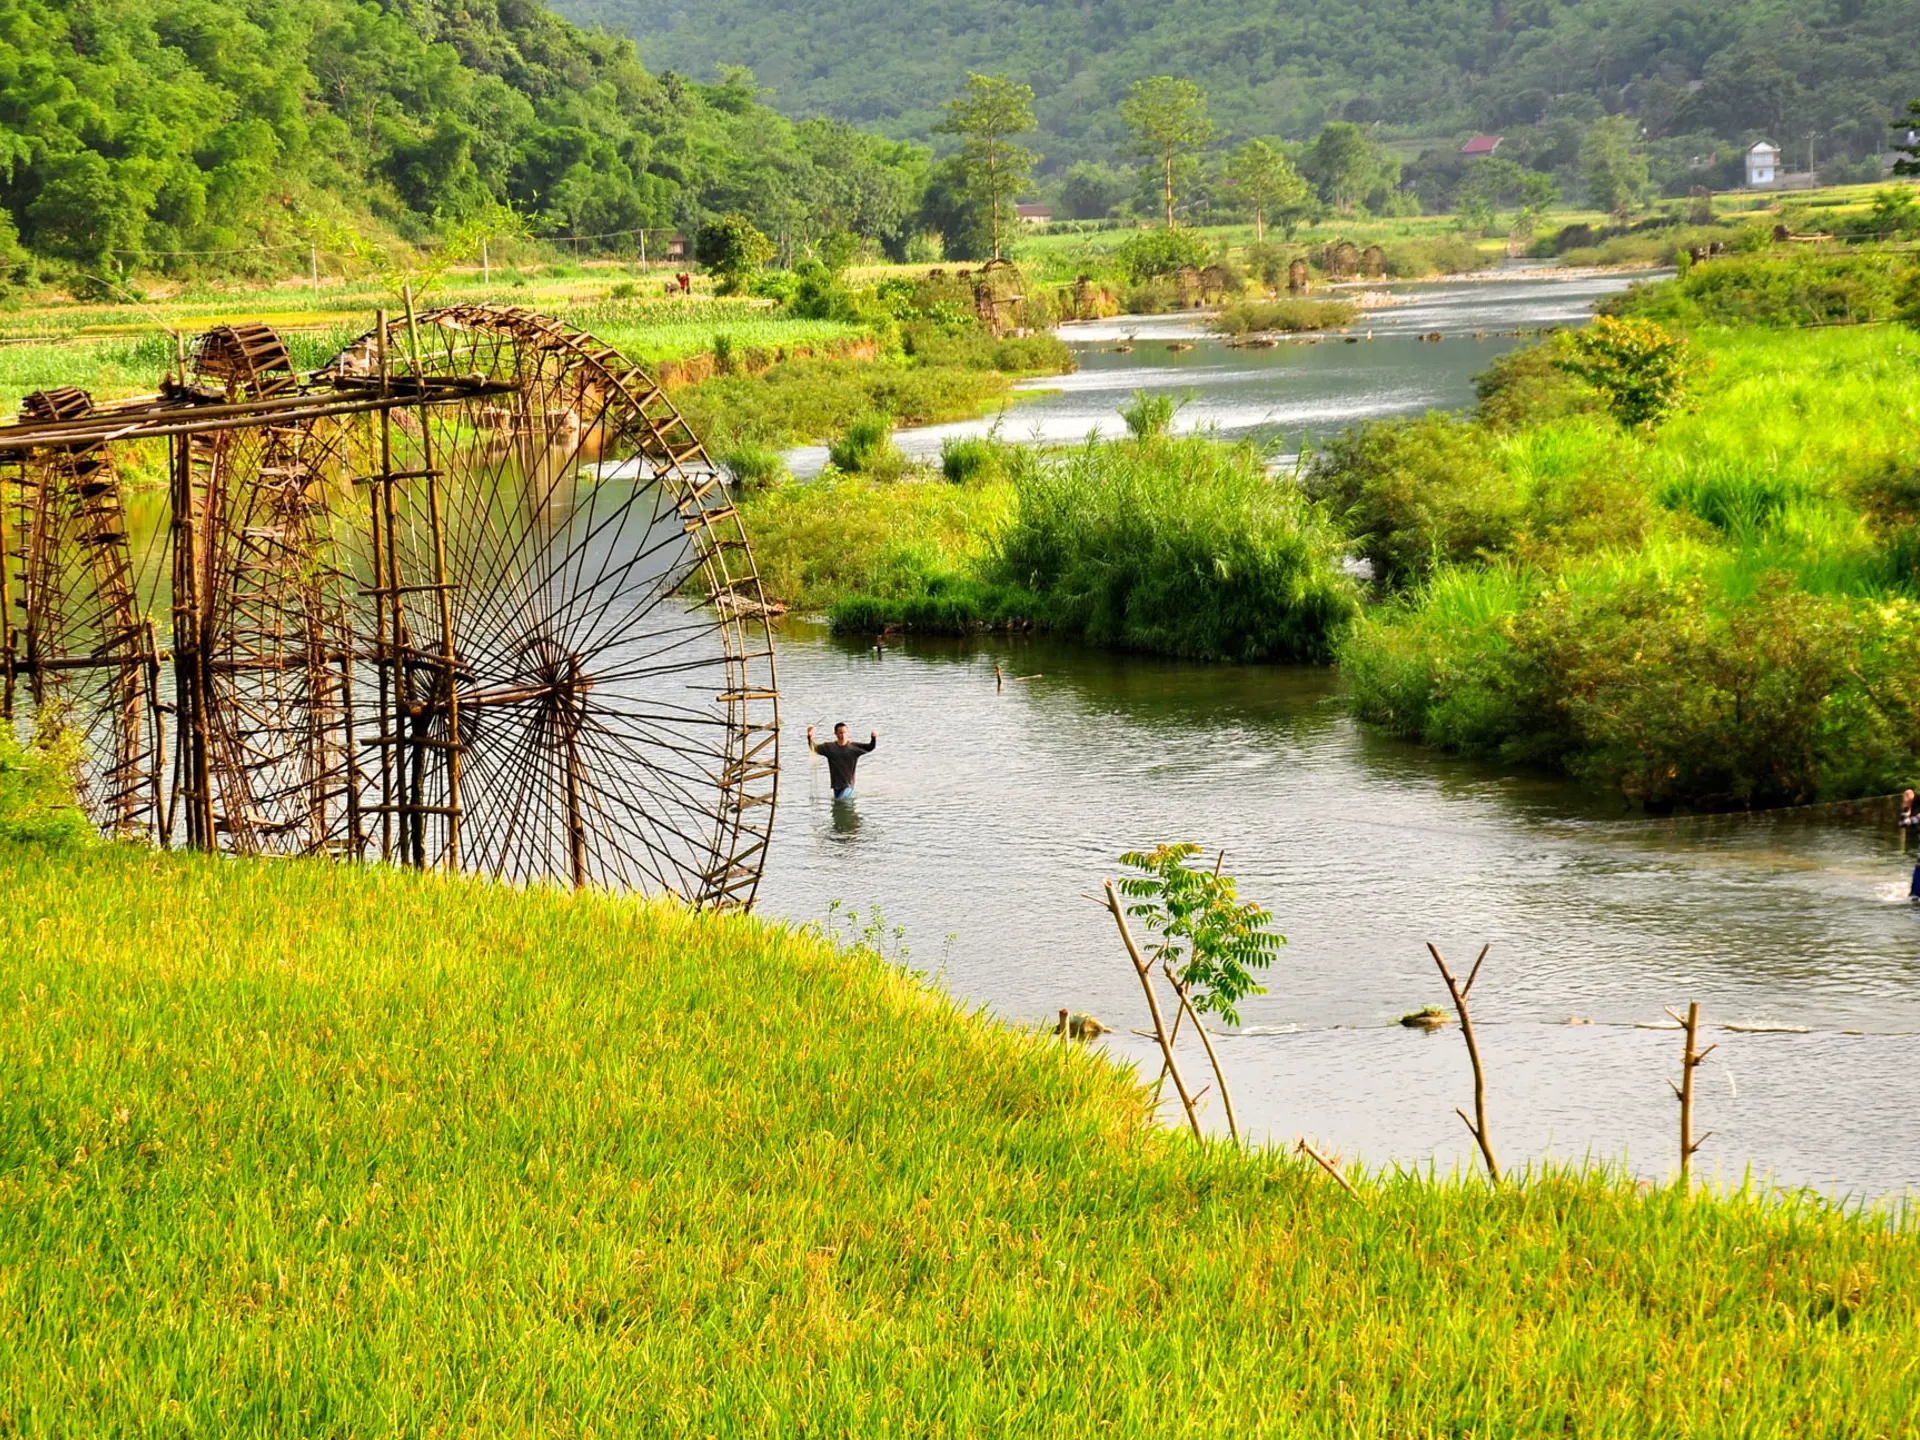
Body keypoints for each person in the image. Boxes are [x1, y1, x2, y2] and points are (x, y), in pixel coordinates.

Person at [809, 722, 877, 800]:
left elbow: (870, 747)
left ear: (848, 733)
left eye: (844, 732)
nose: (843, 735)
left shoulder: (854, 747)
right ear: (835, 733)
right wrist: (810, 736)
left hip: (848, 785)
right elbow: (813, 748)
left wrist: (873, 738)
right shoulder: (829, 748)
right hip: (836, 785)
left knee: (842, 800)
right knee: (838, 803)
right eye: (840, 733)